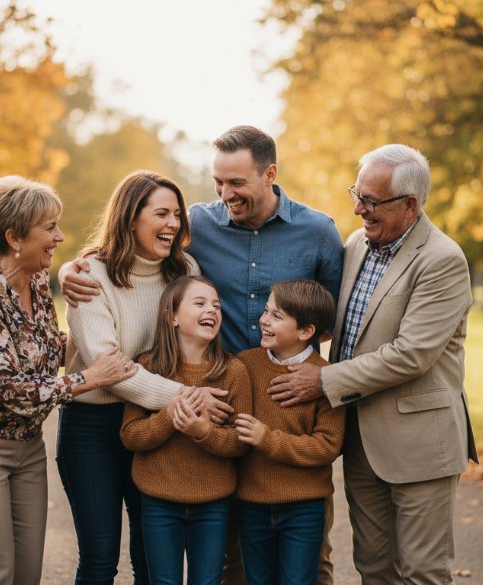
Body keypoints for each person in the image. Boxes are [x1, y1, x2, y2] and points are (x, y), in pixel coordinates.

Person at [61, 125, 345, 585]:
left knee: (309, 557)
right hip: (199, 401)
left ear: (270, 173)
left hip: (274, 400)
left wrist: (323, 378)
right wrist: (65, 270)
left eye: (236, 182)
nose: (224, 193)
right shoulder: (200, 231)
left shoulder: (316, 232)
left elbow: (334, 318)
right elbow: (114, 265)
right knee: (223, 552)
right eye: (218, 181)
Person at [268, 145, 479, 585]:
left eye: (371, 200)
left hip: (420, 445)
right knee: (374, 567)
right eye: (357, 194)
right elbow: (346, 332)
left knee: (422, 571)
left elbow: (411, 354)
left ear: (410, 205)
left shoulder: (442, 260)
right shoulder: (356, 244)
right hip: (362, 441)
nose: (358, 208)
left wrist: (324, 380)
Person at [0, 175, 136, 585]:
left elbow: (43, 349)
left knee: (26, 576)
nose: (60, 236)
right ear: (14, 237)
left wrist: (106, 334)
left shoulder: (36, 280)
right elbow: (13, 390)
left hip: (25, 445)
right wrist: (89, 377)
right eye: (49, 228)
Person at [57, 170, 229, 585]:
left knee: (151, 561)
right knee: (99, 559)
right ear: (131, 218)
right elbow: (109, 369)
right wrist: (188, 396)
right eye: (161, 213)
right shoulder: (88, 275)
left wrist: (179, 401)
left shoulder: (184, 268)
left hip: (153, 423)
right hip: (92, 427)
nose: (173, 223)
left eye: (177, 214)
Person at [120, 276, 252, 585]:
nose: (212, 310)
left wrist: (203, 432)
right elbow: (131, 435)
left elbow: (240, 442)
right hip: (158, 501)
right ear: (172, 316)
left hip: (213, 504)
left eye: (216, 305)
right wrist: (169, 415)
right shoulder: (148, 368)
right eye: (200, 303)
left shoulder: (233, 371)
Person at [233, 280, 345, 585]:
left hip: (303, 506)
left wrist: (266, 439)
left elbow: (327, 446)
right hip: (252, 503)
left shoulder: (325, 376)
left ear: (305, 331)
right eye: (266, 311)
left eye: (277, 316)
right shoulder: (245, 364)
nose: (264, 320)